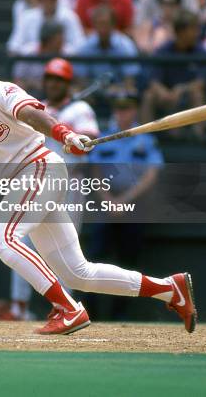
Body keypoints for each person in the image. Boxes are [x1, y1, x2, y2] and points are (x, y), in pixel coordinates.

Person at [0, 37, 197, 335]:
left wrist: (63, 134)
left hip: (40, 168)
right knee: (77, 273)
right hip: (21, 184)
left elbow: (31, 115)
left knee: (2, 238)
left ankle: (68, 309)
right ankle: (170, 289)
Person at [7, 57, 99, 320]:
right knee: (19, 242)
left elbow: (88, 144)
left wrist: (71, 135)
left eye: (59, 80)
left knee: (65, 253)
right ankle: (19, 308)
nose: (53, 84)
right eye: (50, 78)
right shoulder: (37, 109)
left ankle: (65, 308)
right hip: (36, 183)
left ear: (68, 84)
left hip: (68, 185)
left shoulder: (80, 109)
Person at [87, 90, 164, 319]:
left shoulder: (147, 139)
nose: (122, 113)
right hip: (105, 206)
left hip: (135, 206)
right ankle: (91, 313)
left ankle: (119, 317)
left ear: (135, 109)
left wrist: (124, 201)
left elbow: (151, 174)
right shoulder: (105, 136)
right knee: (93, 259)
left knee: (129, 262)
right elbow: (95, 172)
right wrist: (110, 201)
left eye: (127, 108)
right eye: (119, 108)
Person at [142, 10, 206, 137]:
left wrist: (182, 89)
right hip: (166, 97)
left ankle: (199, 139)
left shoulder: (201, 51)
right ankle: (145, 140)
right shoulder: (164, 50)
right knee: (149, 96)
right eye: (193, 29)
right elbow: (153, 81)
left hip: (188, 96)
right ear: (181, 32)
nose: (197, 33)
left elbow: (201, 82)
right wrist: (162, 92)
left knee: (197, 94)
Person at [7, 0, 85, 55]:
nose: (47, 1)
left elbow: (80, 47)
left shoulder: (69, 16)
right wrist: (35, 49)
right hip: (33, 65)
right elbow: (13, 47)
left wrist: (59, 49)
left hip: (62, 62)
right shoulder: (26, 17)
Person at [76, 5, 140, 86]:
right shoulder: (85, 47)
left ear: (113, 25)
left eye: (105, 24)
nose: (102, 29)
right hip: (92, 94)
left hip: (119, 95)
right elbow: (81, 81)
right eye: (98, 24)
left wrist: (117, 91)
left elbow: (130, 82)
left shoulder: (126, 46)